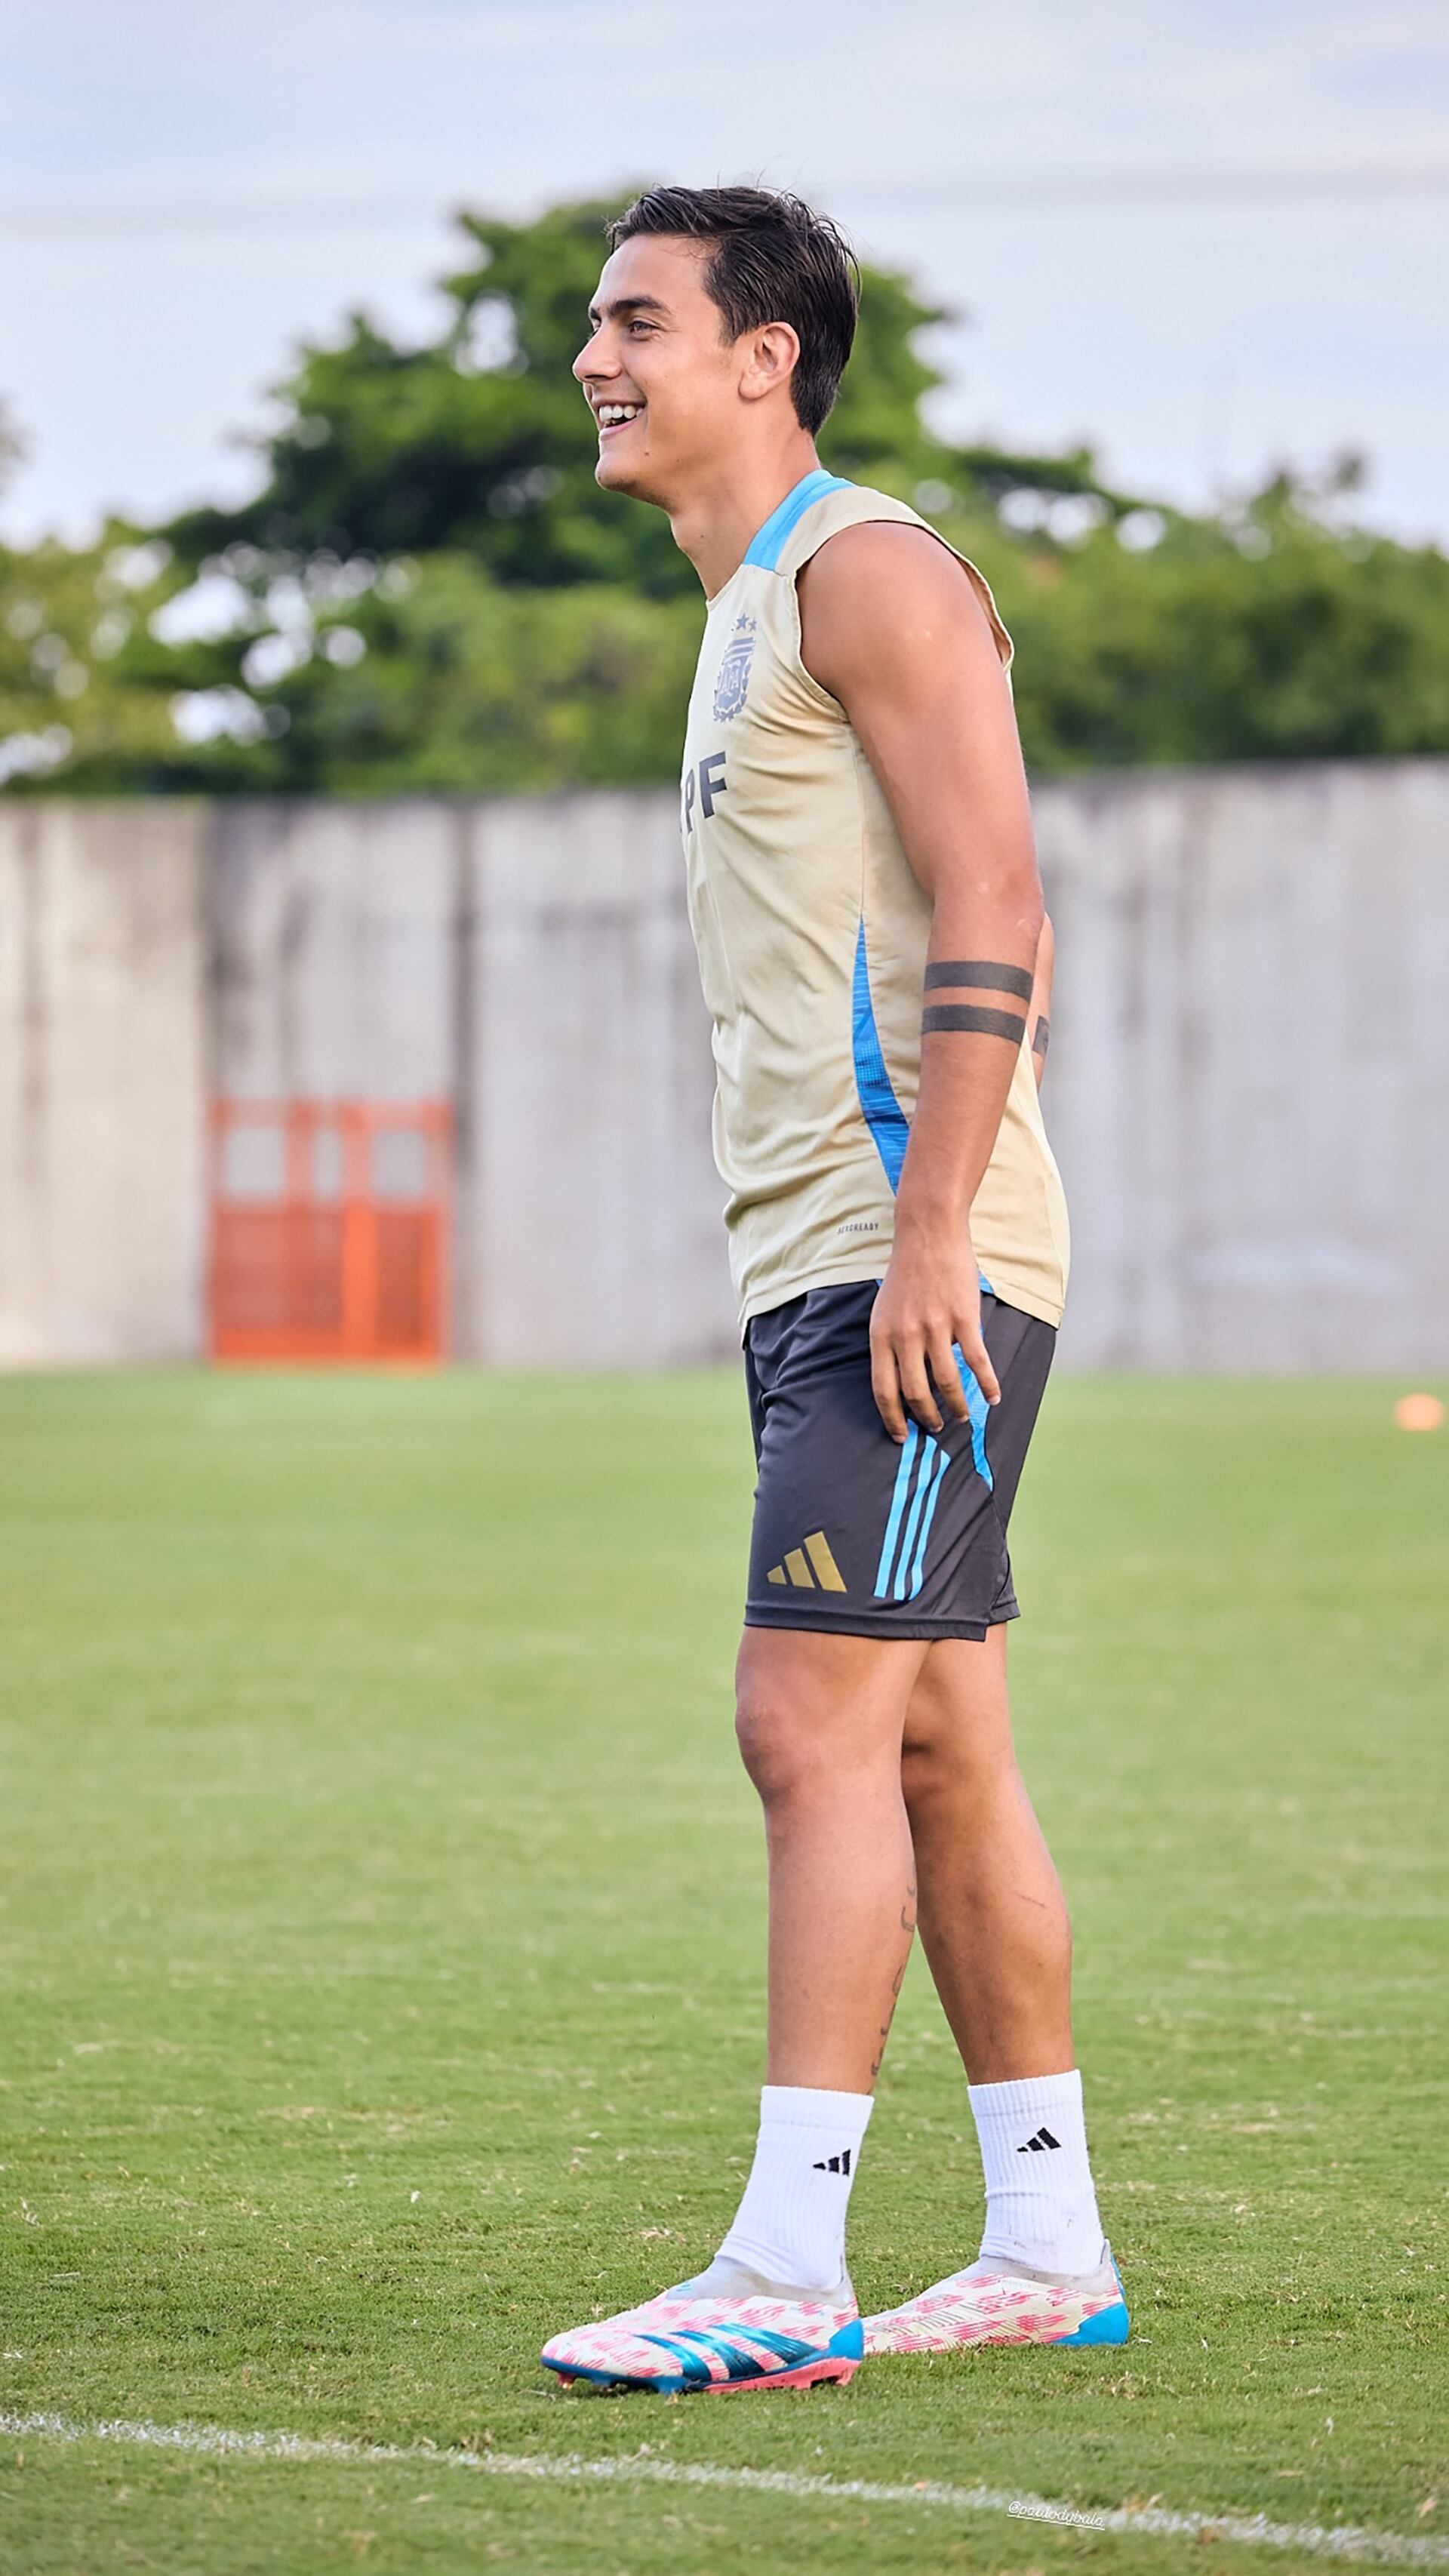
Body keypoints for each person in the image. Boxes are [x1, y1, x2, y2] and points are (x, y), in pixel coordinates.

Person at [542, 186, 1127, 2395]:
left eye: (635, 323)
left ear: (764, 351)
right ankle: (1048, 2242)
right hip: (832, 1257)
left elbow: (1000, 896)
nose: (596, 360)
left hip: (919, 1257)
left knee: (804, 1724)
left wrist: (929, 1228)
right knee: (943, 1749)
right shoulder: (739, 607)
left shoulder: (863, 569)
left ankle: (786, 2274)